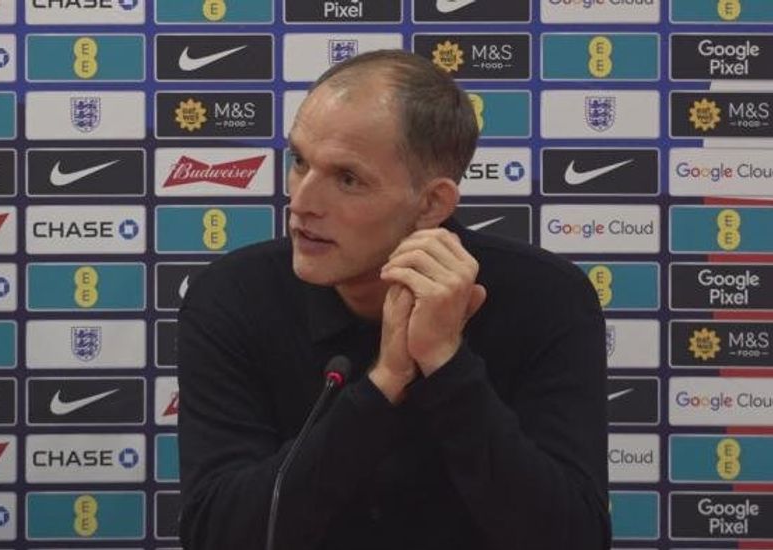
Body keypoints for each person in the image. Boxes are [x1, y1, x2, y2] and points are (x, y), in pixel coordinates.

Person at [177, 49, 610, 550]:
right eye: (299, 162)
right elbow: (216, 535)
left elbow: (574, 537)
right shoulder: (233, 297)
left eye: (348, 179)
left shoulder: (546, 300)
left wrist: (446, 364)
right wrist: (383, 384)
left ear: (431, 204)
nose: (301, 203)